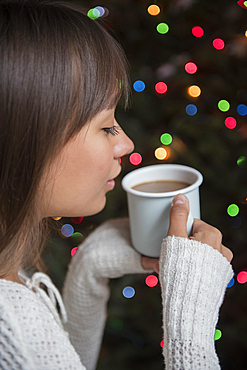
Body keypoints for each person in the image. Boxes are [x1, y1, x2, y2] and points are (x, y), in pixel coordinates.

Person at [0, 1, 234, 369]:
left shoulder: (16, 278)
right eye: (106, 125)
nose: (125, 144)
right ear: (26, 137)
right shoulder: (6, 320)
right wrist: (190, 325)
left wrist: (88, 271)